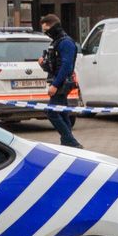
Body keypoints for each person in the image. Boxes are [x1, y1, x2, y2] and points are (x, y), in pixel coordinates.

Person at [38, 14, 82, 149]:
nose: (46, 34)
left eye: (47, 30)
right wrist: (43, 64)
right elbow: (54, 65)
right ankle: (67, 142)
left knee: (52, 111)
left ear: (54, 27)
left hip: (63, 82)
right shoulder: (56, 42)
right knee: (62, 111)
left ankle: (71, 141)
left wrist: (55, 85)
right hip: (59, 80)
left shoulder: (66, 42)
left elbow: (66, 65)